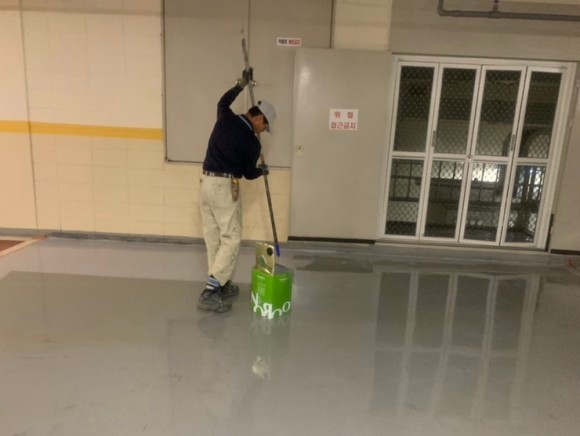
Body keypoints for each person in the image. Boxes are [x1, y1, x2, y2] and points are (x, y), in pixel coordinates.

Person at [198, 69, 276, 313]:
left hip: (205, 182)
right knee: (231, 238)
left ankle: (220, 283)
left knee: (213, 236)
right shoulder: (252, 142)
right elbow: (247, 173)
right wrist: (262, 170)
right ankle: (211, 290)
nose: (263, 131)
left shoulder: (226, 117)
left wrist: (240, 85)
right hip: (224, 188)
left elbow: (222, 101)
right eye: (265, 126)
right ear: (259, 118)